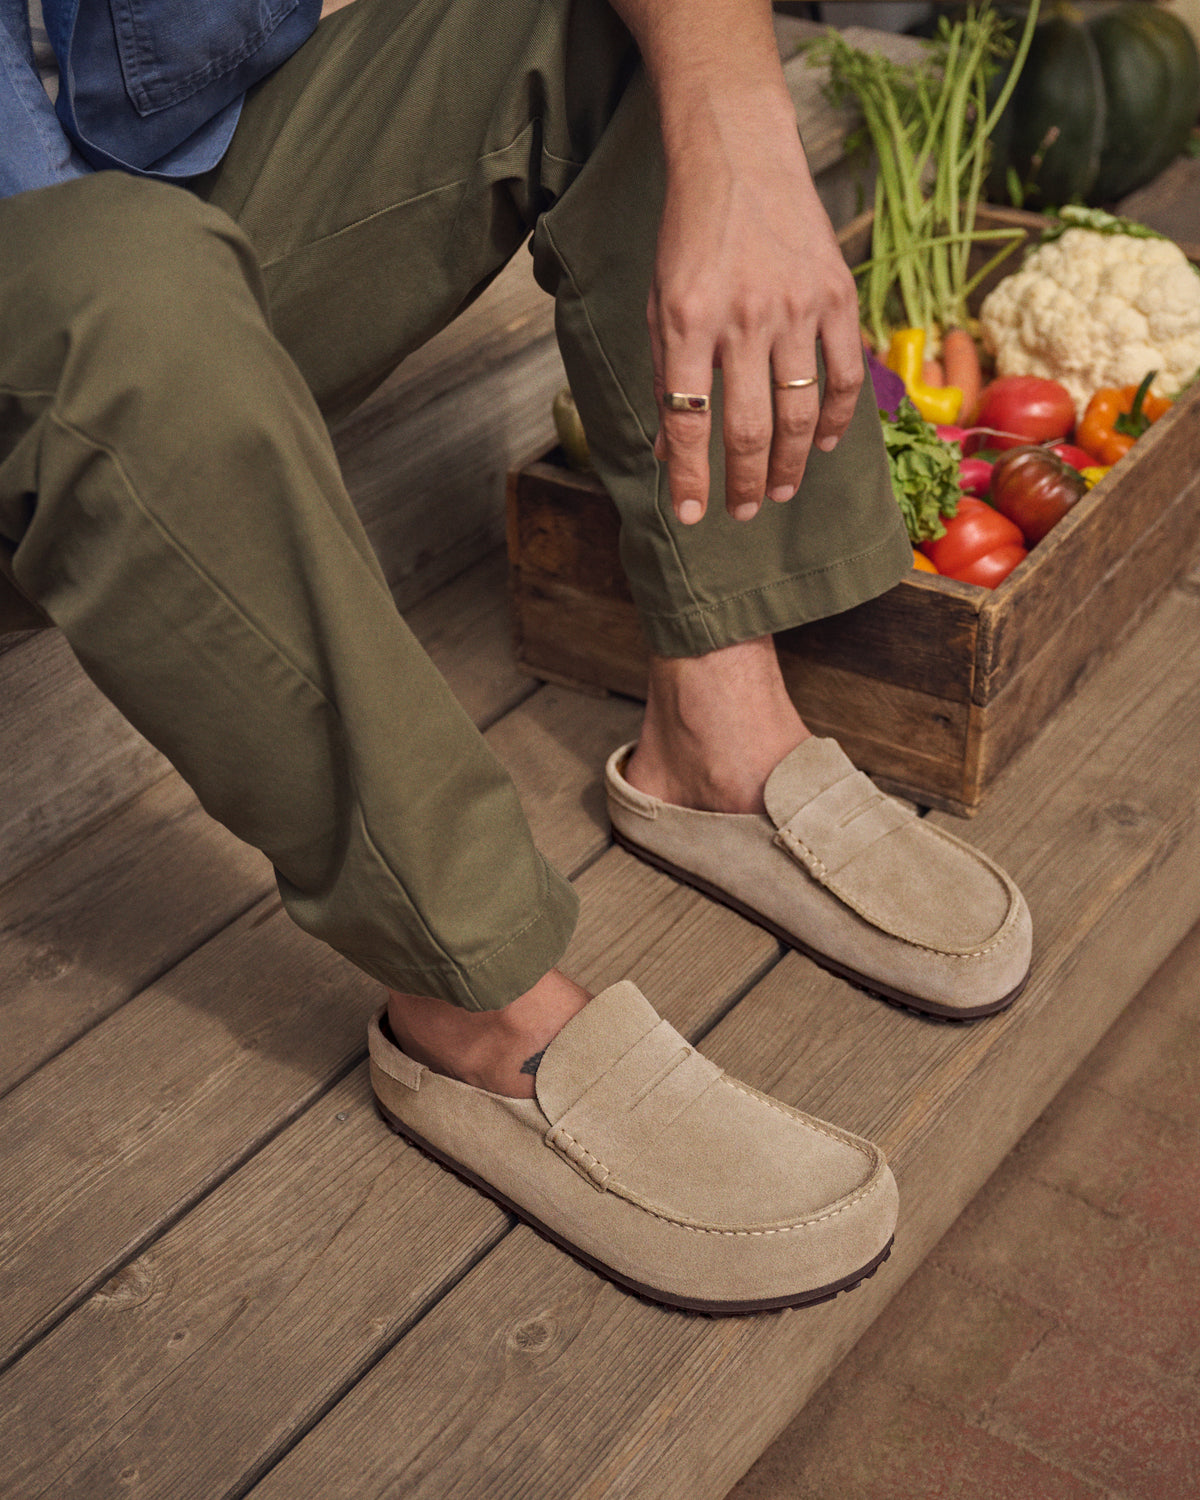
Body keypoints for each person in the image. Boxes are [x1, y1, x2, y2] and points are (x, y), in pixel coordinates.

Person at [0, 0, 1030, 1312]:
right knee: (123, 284)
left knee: (627, 24)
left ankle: (722, 730)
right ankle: (476, 1002)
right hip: (80, 291)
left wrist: (747, 144)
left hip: (167, 187)